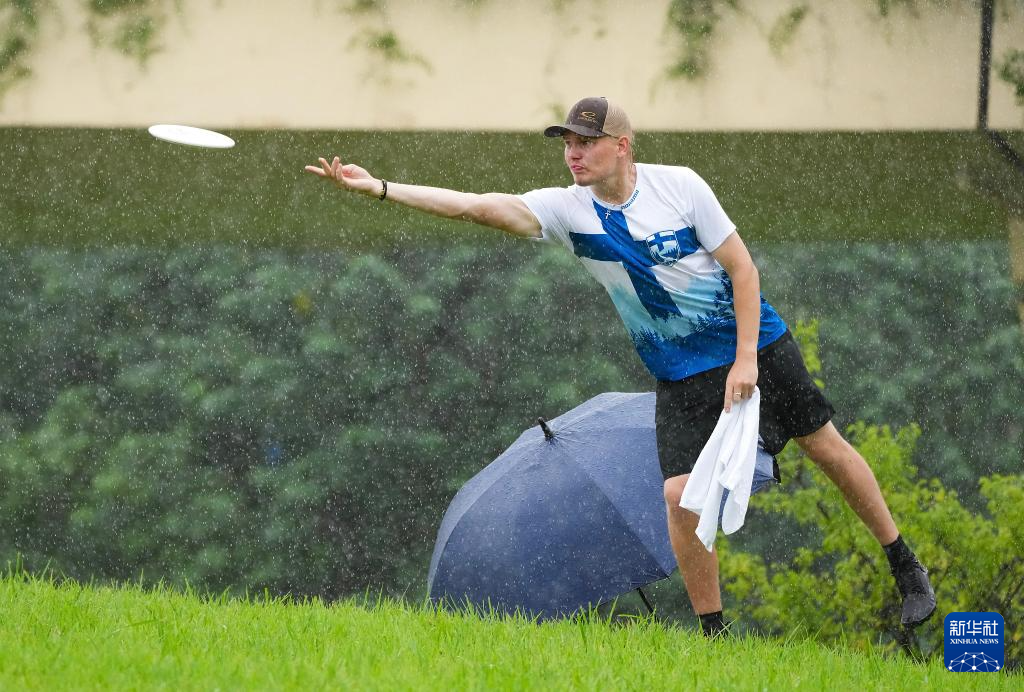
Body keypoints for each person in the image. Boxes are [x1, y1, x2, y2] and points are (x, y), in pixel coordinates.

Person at [304, 96, 936, 636]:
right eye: (567, 144)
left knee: (823, 447)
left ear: (622, 146)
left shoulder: (680, 187)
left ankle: (905, 564)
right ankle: (714, 633)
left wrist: (746, 359)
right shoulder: (567, 210)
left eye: (585, 143)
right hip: (680, 372)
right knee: (678, 496)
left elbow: (743, 269)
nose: (573, 154)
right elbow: (475, 205)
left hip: (755, 345)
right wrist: (380, 188)